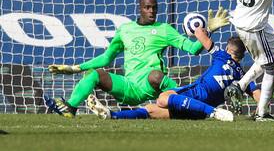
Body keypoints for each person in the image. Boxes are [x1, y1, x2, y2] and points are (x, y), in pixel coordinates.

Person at [44, 0, 229, 118]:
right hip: (128, 86)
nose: (151, 11)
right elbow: (107, 58)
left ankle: (185, 101)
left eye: (154, 8)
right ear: (140, 8)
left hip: (151, 84)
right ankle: (70, 108)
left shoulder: (164, 29)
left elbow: (193, 49)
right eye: (147, 7)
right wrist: (75, 68)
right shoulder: (125, 30)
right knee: (95, 74)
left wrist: (208, 30)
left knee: (156, 75)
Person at [87, 27, 261, 122]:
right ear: (241, 55)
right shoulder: (243, 76)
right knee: (151, 111)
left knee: (162, 98)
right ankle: (112, 115)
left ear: (229, 49)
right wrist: (262, 111)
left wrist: (200, 26)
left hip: (198, 95)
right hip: (197, 112)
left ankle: (215, 113)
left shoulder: (221, 55)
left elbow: (200, 34)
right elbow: (256, 93)